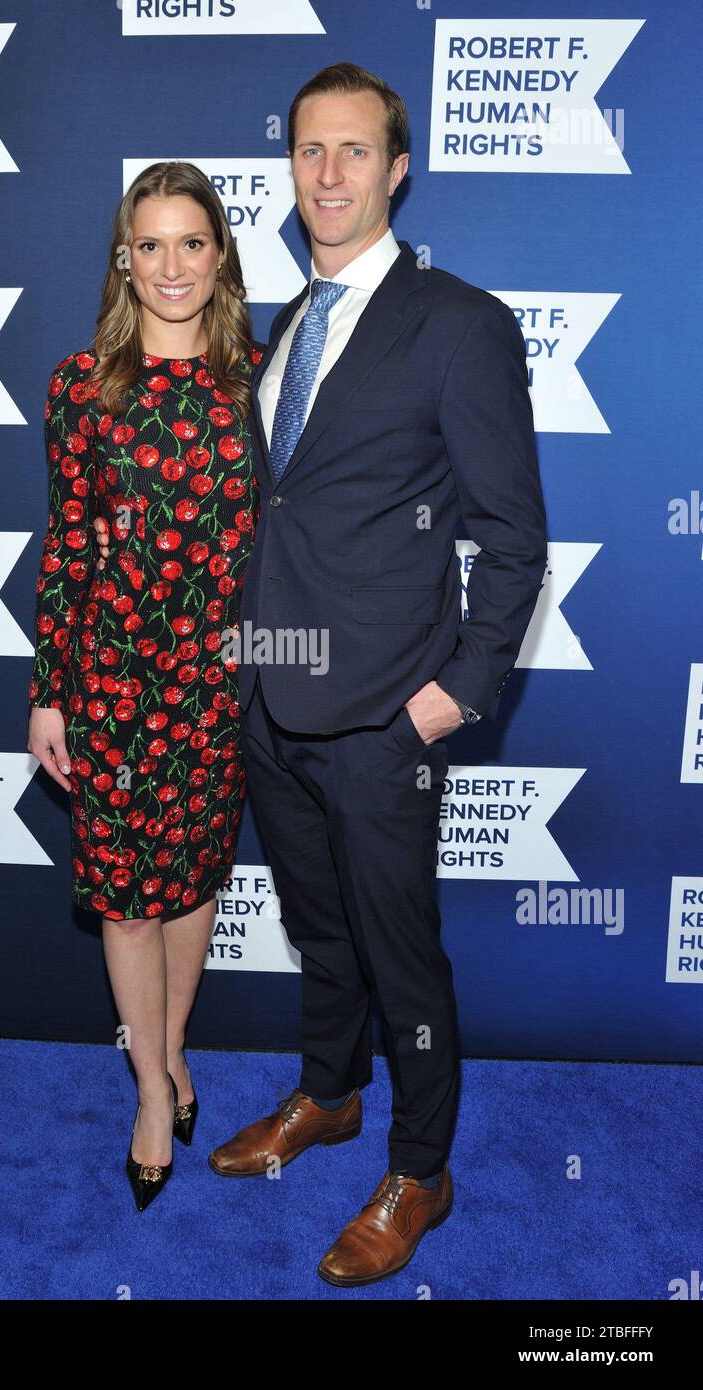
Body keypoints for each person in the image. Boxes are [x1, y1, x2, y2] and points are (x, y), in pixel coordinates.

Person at [206, 62, 549, 1287]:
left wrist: (450, 694)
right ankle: (329, 1095)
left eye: (356, 152)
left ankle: (421, 1165)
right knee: (320, 932)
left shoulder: (458, 323)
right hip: (272, 692)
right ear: (288, 169)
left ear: (397, 169)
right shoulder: (279, 327)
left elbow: (514, 535)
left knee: (401, 953)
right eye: (310, 152)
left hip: (386, 715)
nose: (331, 174)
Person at [26, 161, 261, 1211]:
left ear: (220, 255)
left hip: (215, 685)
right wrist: (48, 689)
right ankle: (152, 1090)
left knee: (194, 880)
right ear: (125, 258)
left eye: (192, 243)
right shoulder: (83, 384)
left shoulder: (260, 380)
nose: (172, 266)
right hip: (109, 680)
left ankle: (167, 1056)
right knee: (124, 896)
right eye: (150, 244)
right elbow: (68, 545)